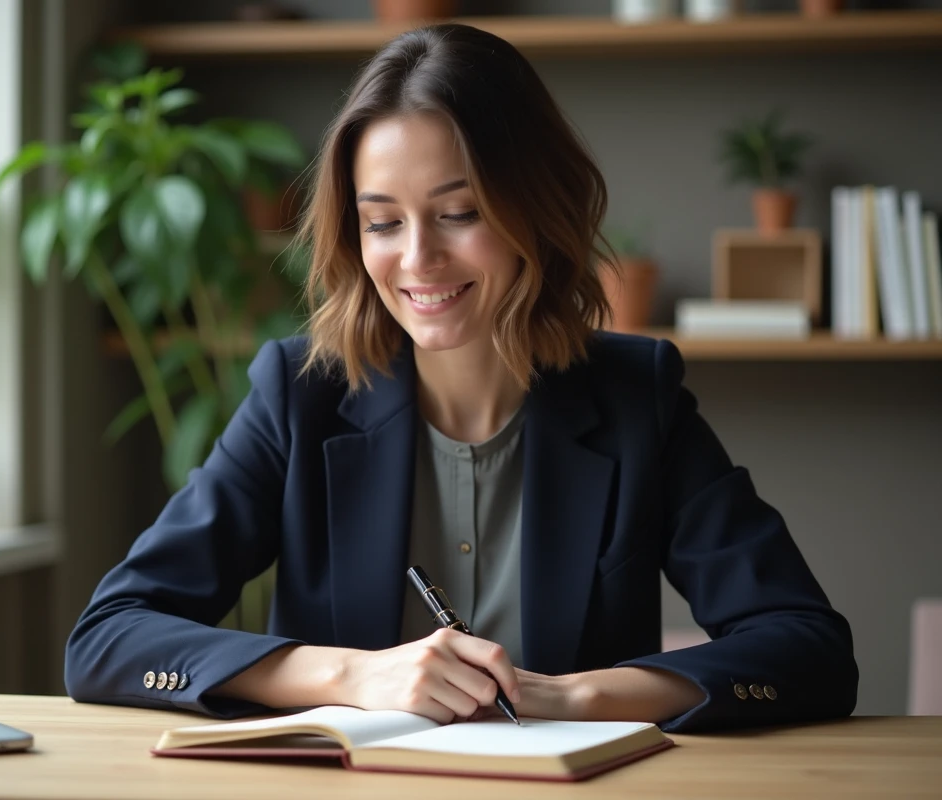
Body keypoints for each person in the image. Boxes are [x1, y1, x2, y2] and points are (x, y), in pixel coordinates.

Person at [65, 23, 858, 733]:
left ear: (535, 213)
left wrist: (578, 697)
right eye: (382, 222)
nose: (416, 259)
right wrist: (352, 675)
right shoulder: (299, 395)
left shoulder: (634, 397)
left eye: (459, 212)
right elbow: (108, 637)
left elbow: (808, 648)